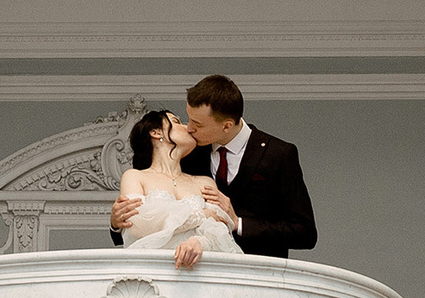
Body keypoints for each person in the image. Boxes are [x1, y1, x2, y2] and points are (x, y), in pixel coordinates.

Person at [109, 74, 317, 260]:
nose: (189, 129)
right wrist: (116, 224)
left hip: (255, 277)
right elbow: (138, 217)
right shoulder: (190, 153)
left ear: (226, 125)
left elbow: (305, 233)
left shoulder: (278, 154)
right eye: (187, 119)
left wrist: (238, 223)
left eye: (197, 124)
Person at [116, 109, 240, 270]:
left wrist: (199, 242)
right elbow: (136, 225)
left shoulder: (204, 182)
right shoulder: (135, 177)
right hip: (151, 270)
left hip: (198, 272)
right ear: (156, 132)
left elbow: (221, 229)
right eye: (176, 122)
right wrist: (201, 215)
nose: (187, 127)